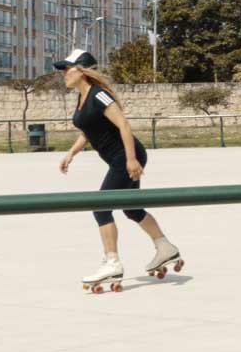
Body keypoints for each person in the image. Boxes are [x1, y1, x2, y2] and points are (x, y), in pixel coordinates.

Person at [55, 50, 182, 292]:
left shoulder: (99, 95)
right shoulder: (82, 98)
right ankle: (165, 247)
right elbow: (88, 131)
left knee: (101, 207)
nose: (63, 73)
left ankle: (112, 262)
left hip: (126, 156)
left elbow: (123, 123)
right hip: (121, 157)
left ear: (82, 70)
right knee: (132, 208)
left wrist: (131, 160)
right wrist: (71, 154)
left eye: (67, 68)